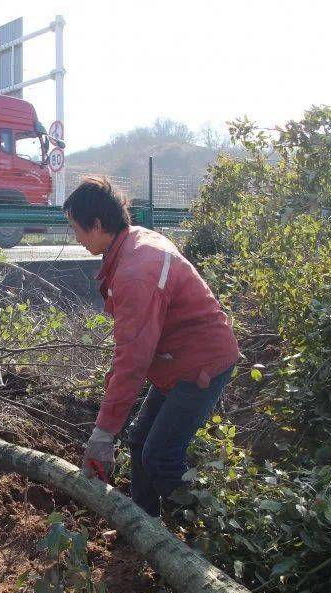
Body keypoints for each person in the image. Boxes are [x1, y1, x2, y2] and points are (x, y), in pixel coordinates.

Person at [64, 177, 239, 518]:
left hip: (201, 363)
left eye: (77, 229)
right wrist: (109, 422)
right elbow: (132, 346)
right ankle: (144, 526)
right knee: (141, 440)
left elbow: (134, 358)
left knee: (160, 455)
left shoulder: (136, 273)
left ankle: (202, 533)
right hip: (175, 360)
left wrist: (103, 432)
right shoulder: (132, 243)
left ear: (97, 225)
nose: (76, 238)